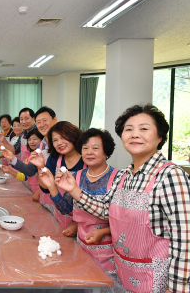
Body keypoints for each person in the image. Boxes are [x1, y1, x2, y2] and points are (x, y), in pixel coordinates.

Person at [56, 104, 190, 293]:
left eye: (144, 129)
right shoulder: (124, 176)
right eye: (129, 129)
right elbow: (104, 211)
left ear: (160, 137)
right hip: (123, 272)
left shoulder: (170, 175)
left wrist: (177, 289)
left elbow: (185, 238)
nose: (135, 134)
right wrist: (74, 189)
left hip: (156, 282)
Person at [44, 128, 119, 277]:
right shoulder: (77, 176)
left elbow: (122, 220)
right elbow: (65, 208)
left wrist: (103, 231)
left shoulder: (117, 177)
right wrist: (52, 186)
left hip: (108, 251)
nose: (89, 152)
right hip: (81, 245)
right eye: (85, 148)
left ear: (106, 152)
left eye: (95, 148)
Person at [3, 121, 85, 234]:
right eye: (55, 140)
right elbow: (46, 188)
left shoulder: (87, 161)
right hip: (61, 213)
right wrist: (41, 166)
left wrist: (77, 224)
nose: (59, 143)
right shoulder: (54, 158)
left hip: (85, 224)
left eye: (63, 137)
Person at [0, 129, 43, 194]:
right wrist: (10, 170)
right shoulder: (30, 156)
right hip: (31, 191)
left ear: (42, 141)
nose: (31, 142)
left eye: (35, 139)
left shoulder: (42, 156)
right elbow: (24, 177)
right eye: (29, 140)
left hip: (40, 194)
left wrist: (38, 193)